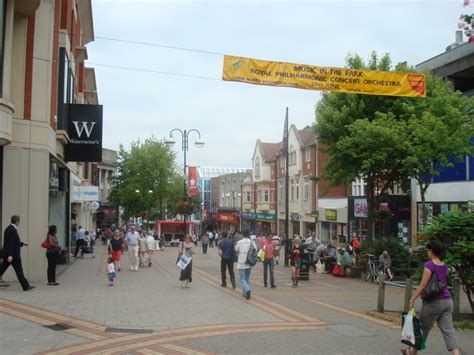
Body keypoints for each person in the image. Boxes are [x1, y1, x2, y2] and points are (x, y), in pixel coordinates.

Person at [407, 240, 462, 355]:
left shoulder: (429, 265)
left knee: (422, 331)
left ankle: (411, 353)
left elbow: (423, 285)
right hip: (447, 301)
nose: (427, 252)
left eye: (428, 250)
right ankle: (457, 353)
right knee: (449, 331)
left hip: (433, 303)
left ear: (431, 251)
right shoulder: (444, 265)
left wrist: (412, 298)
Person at [0, 215, 34, 291]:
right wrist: (10, 255)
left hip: (11, 255)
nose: (19, 222)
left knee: (3, 269)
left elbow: (14, 242)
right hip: (13, 256)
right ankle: (26, 287)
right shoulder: (11, 230)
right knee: (19, 271)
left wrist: (22, 243)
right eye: (19, 221)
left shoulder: (10, 229)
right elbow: (11, 243)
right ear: (17, 221)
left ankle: (26, 286)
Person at [235, 230, 256, 300]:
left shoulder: (239, 242)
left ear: (243, 235)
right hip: (249, 262)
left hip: (241, 262)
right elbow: (255, 250)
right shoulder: (252, 242)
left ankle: (247, 290)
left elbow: (236, 252)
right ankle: (244, 293)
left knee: (242, 278)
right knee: (247, 278)